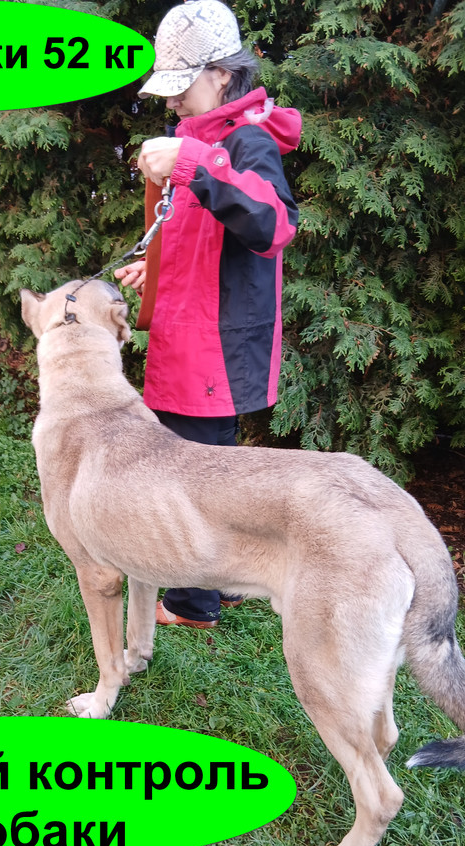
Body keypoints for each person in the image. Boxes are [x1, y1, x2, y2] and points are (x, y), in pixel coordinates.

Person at [115, 0, 301, 628]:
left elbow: (273, 224)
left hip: (213, 344)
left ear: (222, 74)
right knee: (209, 472)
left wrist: (194, 164)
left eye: (181, 84)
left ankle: (191, 603)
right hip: (188, 332)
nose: (171, 99)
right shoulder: (200, 139)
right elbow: (201, 239)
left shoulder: (246, 141)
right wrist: (154, 270)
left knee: (191, 478)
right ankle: (222, 585)